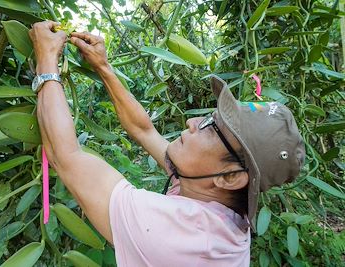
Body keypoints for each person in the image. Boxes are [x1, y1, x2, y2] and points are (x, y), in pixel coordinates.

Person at [29, 21, 305, 266]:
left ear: (231, 177)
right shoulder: (218, 202)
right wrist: (103, 66)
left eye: (212, 128)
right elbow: (144, 130)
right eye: (209, 117)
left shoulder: (185, 234)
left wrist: (47, 58)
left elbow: (65, 155)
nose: (192, 124)